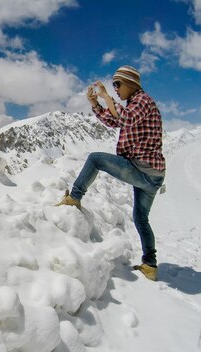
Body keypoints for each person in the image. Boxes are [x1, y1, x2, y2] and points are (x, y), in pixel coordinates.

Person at [57, 65, 166, 281]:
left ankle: (74, 197)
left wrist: (106, 97)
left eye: (117, 84)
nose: (115, 88)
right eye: (113, 85)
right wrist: (95, 104)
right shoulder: (134, 105)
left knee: (95, 159)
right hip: (152, 174)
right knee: (141, 218)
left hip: (142, 169)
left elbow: (123, 118)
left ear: (130, 83)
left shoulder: (143, 101)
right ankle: (150, 265)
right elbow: (114, 120)